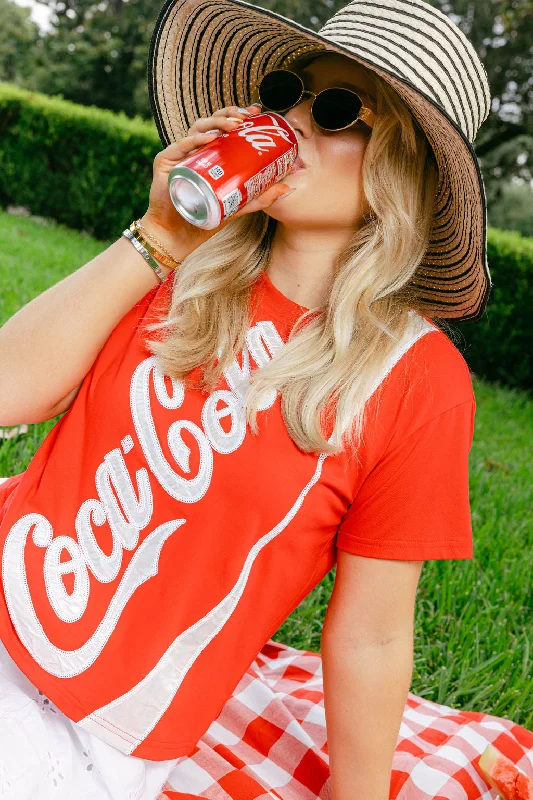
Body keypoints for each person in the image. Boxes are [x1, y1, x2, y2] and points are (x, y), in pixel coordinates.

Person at [0, 0, 494, 797]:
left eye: (335, 109)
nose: (292, 120)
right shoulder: (180, 266)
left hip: (100, 724)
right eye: (283, 92)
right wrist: (158, 235)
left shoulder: (415, 381)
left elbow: (369, 632)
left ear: (399, 171)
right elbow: (6, 391)